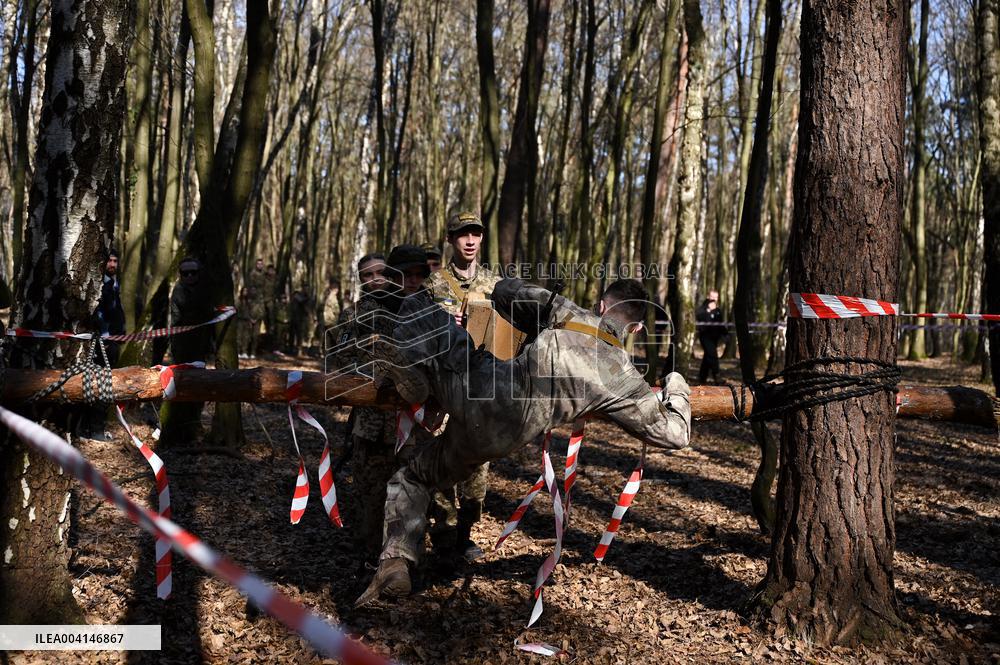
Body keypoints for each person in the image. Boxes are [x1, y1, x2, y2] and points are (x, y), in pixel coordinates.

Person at [355, 277, 692, 605]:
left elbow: (505, 291)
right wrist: (676, 383)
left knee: (419, 307)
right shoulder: (624, 378)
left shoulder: (566, 311)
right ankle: (394, 569)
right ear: (635, 330)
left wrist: (539, 315)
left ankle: (396, 558)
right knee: (420, 474)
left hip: (476, 392)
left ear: (601, 306)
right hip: (501, 441)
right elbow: (676, 434)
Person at [421, 212, 500, 561]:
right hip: (442, 386)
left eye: (475, 234)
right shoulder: (433, 285)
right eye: (462, 234)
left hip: (480, 387)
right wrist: (442, 324)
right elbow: (417, 332)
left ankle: (466, 532)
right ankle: (443, 531)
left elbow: (510, 333)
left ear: (482, 239)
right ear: (451, 239)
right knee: (441, 460)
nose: (469, 241)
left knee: (476, 466)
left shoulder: (496, 284)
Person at [329, 252, 401, 564]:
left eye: (380, 273)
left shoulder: (409, 310)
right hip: (370, 422)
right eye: (367, 276)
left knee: (406, 490)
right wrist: (372, 373)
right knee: (368, 489)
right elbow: (339, 358)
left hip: (409, 422)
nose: (375, 280)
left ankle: (399, 554)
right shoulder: (351, 317)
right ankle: (367, 550)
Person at [162, 257, 216, 443]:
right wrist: (174, 345)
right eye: (186, 273)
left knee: (199, 384)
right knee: (180, 385)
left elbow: (211, 316)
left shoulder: (206, 289)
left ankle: (195, 422)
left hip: (201, 345)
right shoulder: (178, 291)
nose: (190, 276)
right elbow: (175, 320)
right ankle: (178, 426)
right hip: (182, 346)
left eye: (193, 272)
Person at [84, 248, 126, 440]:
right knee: (99, 385)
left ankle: (96, 428)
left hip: (114, 341)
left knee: (106, 385)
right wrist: (106, 335)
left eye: (115, 261)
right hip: (102, 343)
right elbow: (98, 311)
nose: (112, 265)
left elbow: (117, 310)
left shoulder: (114, 283)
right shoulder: (99, 284)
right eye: (109, 261)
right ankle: (94, 429)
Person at [695, 290, 725, 383]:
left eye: (716, 297)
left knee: (707, 357)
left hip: (714, 337)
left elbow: (720, 324)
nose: (714, 299)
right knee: (712, 354)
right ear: (708, 297)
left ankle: (702, 377)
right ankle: (717, 375)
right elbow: (701, 319)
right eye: (712, 297)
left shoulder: (718, 310)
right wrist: (709, 311)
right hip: (705, 336)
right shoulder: (702, 308)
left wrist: (725, 334)